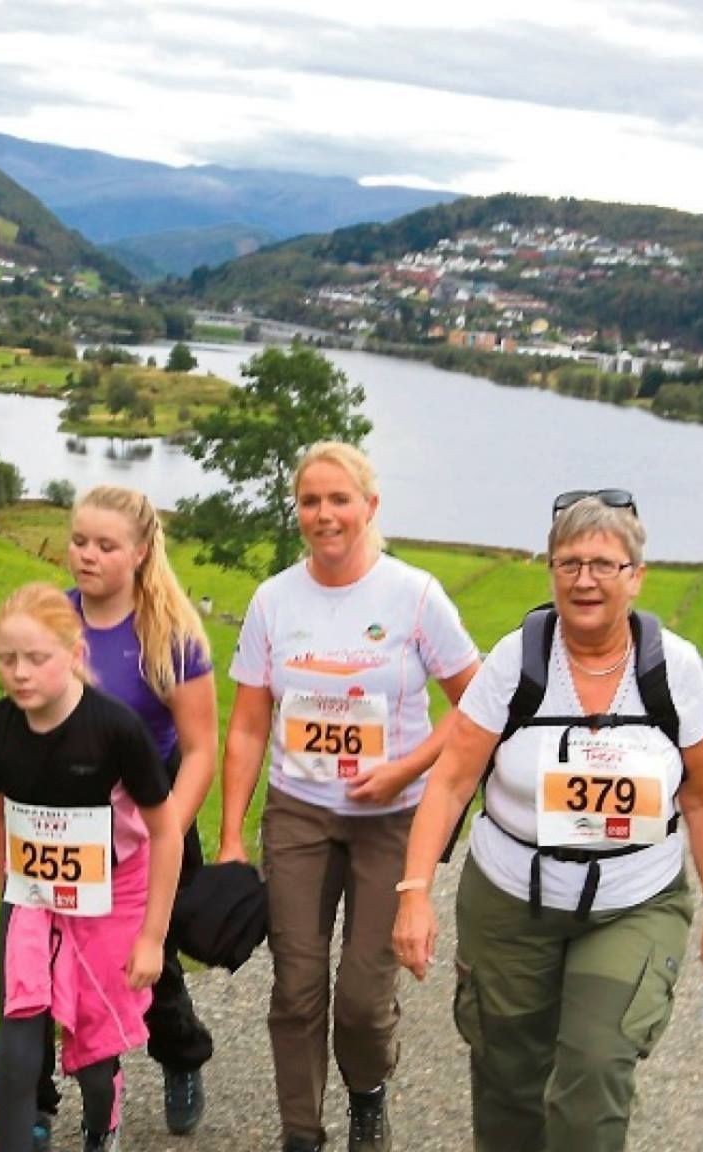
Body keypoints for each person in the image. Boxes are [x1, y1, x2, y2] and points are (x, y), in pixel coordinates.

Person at [393, 489, 703, 1152]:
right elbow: (450, 780)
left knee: (594, 1071)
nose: (585, 579)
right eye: (568, 563)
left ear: (635, 577)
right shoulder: (516, 662)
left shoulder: (675, 670)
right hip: (509, 901)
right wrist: (414, 893)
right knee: (508, 1081)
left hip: (632, 903)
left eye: (604, 564)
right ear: (552, 571)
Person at [220, 442, 481, 1152]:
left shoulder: (415, 596)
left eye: (340, 500)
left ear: (370, 507)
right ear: (298, 511)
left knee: (364, 999)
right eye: (311, 501)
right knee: (295, 987)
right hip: (299, 812)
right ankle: (301, 1133)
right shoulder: (275, 599)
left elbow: (477, 705)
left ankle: (367, 1091)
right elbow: (247, 726)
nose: (325, 515)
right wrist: (234, 836)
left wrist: (406, 769)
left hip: (393, 818)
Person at [0, 485, 219, 1142]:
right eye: (79, 540)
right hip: (54, 820)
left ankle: (181, 1056)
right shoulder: (52, 622)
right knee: (34, 972)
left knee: (141, 972)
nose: (87, 555)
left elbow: (199, 749)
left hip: (144, 817)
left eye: (105, 545)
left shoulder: (172, 636)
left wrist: (158, 831)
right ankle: (39, 1109)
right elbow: (7, 737)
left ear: (138, 553)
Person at [0, 583, 183, 1152]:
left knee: (92, 1053)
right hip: (34, 896)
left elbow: (166, 833)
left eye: (37, 658)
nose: (20, 673)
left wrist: (153, 939)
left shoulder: (115, 729)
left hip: (112, 895)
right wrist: (11, 898)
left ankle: (101, 1124)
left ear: (74, 655)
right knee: (17, 1040)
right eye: (7, 658)